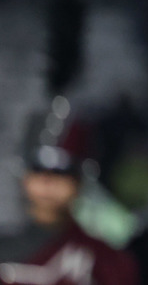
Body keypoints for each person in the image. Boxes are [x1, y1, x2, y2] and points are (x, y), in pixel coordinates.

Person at [0, 97, 140, 285]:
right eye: (38, 169)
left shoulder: (107, 261)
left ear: (80, 180)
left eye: (61, 172)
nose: (47, 181)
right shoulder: (5, 248)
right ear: (23, 175)